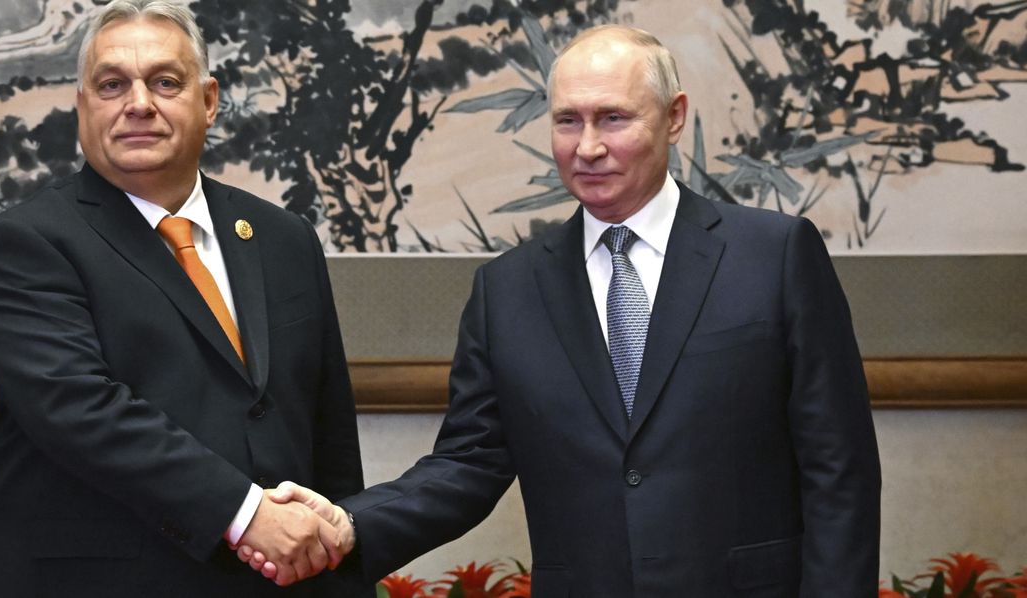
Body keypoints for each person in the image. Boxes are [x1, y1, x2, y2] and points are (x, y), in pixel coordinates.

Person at [244, 25, 882, 596]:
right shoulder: (509, 290)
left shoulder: (773, 255)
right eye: (567, 121)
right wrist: (351, 523)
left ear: (674, 116)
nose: (588, 147)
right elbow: (468, 463)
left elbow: (840, 470)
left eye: (613, 118)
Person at [0, 1, 371, 596]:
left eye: (165, 82)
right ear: (82, 105)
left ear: (208, 100)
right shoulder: (24, 245)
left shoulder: (284, 238)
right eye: (111, 84)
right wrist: (247, 513)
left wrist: (342, 568)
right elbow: (83, 412)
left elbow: (328, 432)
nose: (138, 104)